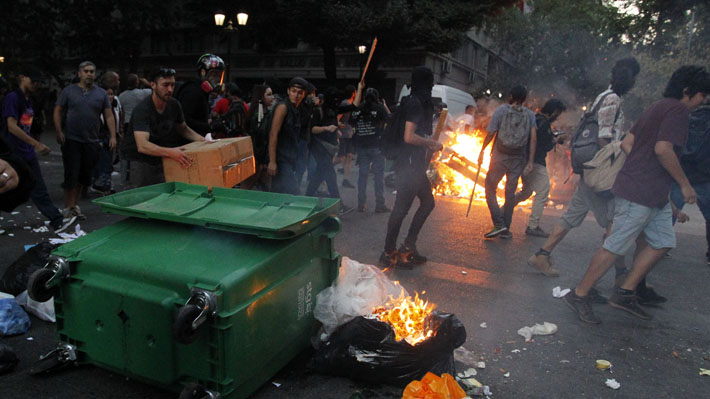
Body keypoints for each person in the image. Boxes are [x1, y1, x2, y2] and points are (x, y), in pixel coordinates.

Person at [563, 65, 710, 324]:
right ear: (687, 92)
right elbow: (663, 149)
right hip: (639, 192)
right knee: (615, 245)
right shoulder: (677, 111)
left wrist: (643, 166)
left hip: (652, 192)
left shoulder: (657, 107)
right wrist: (684, 184)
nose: (704, 100)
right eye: (702, 95)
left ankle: (626, 291)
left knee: (664, 241)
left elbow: (629, 143)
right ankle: (579, 294)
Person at [528, 58, 640, 281]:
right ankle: (614, 277)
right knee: (613, 222)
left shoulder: (602, 97)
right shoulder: (612, 100)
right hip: (599, 172)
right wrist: (607, 167)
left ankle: (542, 254)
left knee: (572, 216)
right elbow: (604, 137)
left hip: (590, 171)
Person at [380, 66, 443, 269]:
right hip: (407, 164)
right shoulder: (415, 104)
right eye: (430, 83)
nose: (432, 87)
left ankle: (408, 246)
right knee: (401, 208)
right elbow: (408, 136)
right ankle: (389, 252)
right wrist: (431, 144)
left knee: (427, 202)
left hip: (412, 164)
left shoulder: (412, 100)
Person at [2, 68, 76, 232]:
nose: (36, 84)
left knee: (37, 187)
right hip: (13, 153)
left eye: (38, 82)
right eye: (32, 80)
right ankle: (56, 219)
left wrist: (34, 143)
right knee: (8, 187)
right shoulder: (13, 98)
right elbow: (12, 126)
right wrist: (35, 144)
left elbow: (26, 125)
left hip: (25, 152)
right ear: (22, 77)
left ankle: (56, 219)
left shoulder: (29, 99)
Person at [120, 67, 206, 187]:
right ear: (153, 85)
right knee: (141, 198)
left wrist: (204, 140)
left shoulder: (174, 105)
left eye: (172, 85)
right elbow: (142, 146)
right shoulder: (142, 109)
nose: (170, 89)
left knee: (162, 194)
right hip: (138, 159)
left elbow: (183, 129)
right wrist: (172, 153)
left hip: (160, 157)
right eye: (165, 85)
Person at [53, 61, 116, 220]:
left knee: (84, 176)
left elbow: (108, 115)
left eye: (92, 71)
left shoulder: (101, 94)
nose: (89, 74)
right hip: (72, 139)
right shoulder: (69, 91)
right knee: (71, 174)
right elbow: (58, 110)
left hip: (92, 140)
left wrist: (113, 135)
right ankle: (68, 207)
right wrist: (59, 130)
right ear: (79, 73)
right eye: (86, 71)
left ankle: (75, 205)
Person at [478, 85, 537, 239]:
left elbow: (491, 133)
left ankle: (498, 223)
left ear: (510, 96)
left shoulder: (501, 111)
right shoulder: (530, 115)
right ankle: (506, 229)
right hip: (518, 158)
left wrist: (482, 150)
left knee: (490, 188)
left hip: (500, 157)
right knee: (509, 193)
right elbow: (533, 139)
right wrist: (530, 161)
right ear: (524, 99)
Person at [512, 99, 568, 239]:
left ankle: (502, 212)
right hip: (535, 162)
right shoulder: (543, 123)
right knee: (543, 191)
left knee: (526, 192)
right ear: (554, 111)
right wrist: (556, 140)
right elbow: (543, 145)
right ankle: (533, 226)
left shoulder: (535, 119)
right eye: (558, 113)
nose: (558, 116)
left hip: (524, 160)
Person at [305, 84, 363, 215]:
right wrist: (326, 128)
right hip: (319, 146)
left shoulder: (335, 109)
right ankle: (339, 205)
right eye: (334, 99)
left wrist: (359, 89)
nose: (336, 101)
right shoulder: (318, 111)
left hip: (329, 147)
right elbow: (313, 129)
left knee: (319, 175)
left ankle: (305, 199)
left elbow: (353, 106)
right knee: (330, 175)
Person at [670, 96, 710, 265]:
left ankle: (656, 245)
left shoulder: (687, 117)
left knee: (668, 212)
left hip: (682, 171)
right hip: (705, 175)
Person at [351, 87, 390, 213]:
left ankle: (360, 204)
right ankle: (380, 204)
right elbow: (390, 120)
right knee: (378, 176)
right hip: (377, 146)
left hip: (362, 147)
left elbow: (351, 122)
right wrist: (385, 107)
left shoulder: (358, 108)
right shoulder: (379, 108)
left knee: (362, 176)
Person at [267, 77, 308, 195]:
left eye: (300, 93)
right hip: (281, 160)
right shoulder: (283, 107)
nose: (296, 95)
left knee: (277, 195)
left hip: (289, 159)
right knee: (294, 193)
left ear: (304, 94)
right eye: (294, 91)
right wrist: (272, 161)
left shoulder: (296, 110)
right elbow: (273, 134)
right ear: (288, 91)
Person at [176, 53, 225, 135]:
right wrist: (210, 127)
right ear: (203, 72)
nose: (217, 79)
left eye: (219, 76)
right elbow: (184, 121)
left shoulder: (201, 91)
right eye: (214, 74)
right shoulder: (193, 91)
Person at [117, 74, 152, 186]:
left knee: (129, 149)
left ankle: (129, 170)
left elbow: (121, 111)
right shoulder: (142, 93)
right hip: (140, 123)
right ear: (137, 83)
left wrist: (121, 128)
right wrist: (146, 82)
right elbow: (154, 90)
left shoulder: (122, 96)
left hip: (127, 123)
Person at [242, 84, 275, 190]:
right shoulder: (258, 117)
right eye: (269, 95)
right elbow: (260, 140)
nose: (272, 97)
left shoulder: (264, 114)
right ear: (261, 97)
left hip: (259, 161)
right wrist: (262, 161)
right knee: (247, 190)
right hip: (257, 161)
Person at [335, 85, 357, 189]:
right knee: (341, 158)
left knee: (349, 157)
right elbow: (337, 118)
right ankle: (325, 168)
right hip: (344, 135)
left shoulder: (350, 103)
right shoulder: (345, 104)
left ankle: (346, 179)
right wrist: (339, 125)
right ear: (353, 93)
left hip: (350, 135)